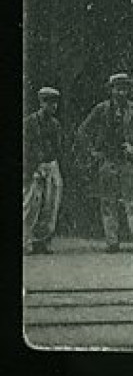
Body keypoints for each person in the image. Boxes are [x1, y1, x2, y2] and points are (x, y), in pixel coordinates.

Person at [75, 72, 133, 257]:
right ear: (111, 90)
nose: (121, 92)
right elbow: (82, 131)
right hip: (108, 162)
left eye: (125, 88)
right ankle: (112, 242)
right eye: (118, 88)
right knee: (108, 203)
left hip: (129, 163)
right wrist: (93, 152)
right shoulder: (101, 109)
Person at [24, 86, 65, 255]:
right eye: (49, 102)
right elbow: (26, 148)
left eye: (55, 103)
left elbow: (58, 147)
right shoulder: (29, 123)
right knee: (31, 205)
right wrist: (33, 167)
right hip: (35, 166)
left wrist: (53, 165)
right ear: (41, 103)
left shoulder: (55, 124)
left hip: (51, 165)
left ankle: (42, 240)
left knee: (51, 203)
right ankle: (25, 241)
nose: (53, 106)